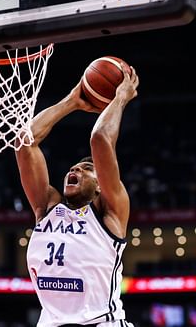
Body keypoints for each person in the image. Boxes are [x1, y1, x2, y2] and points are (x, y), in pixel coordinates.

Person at [15, 66, 139, 327]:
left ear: (100, 187)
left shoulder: (110, 213)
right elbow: (25, 141)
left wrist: (120, 98)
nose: (75, 169)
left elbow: (100, 138)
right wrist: (72, 101)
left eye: (86, 169)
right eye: (74, 168)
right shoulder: (47, 207)